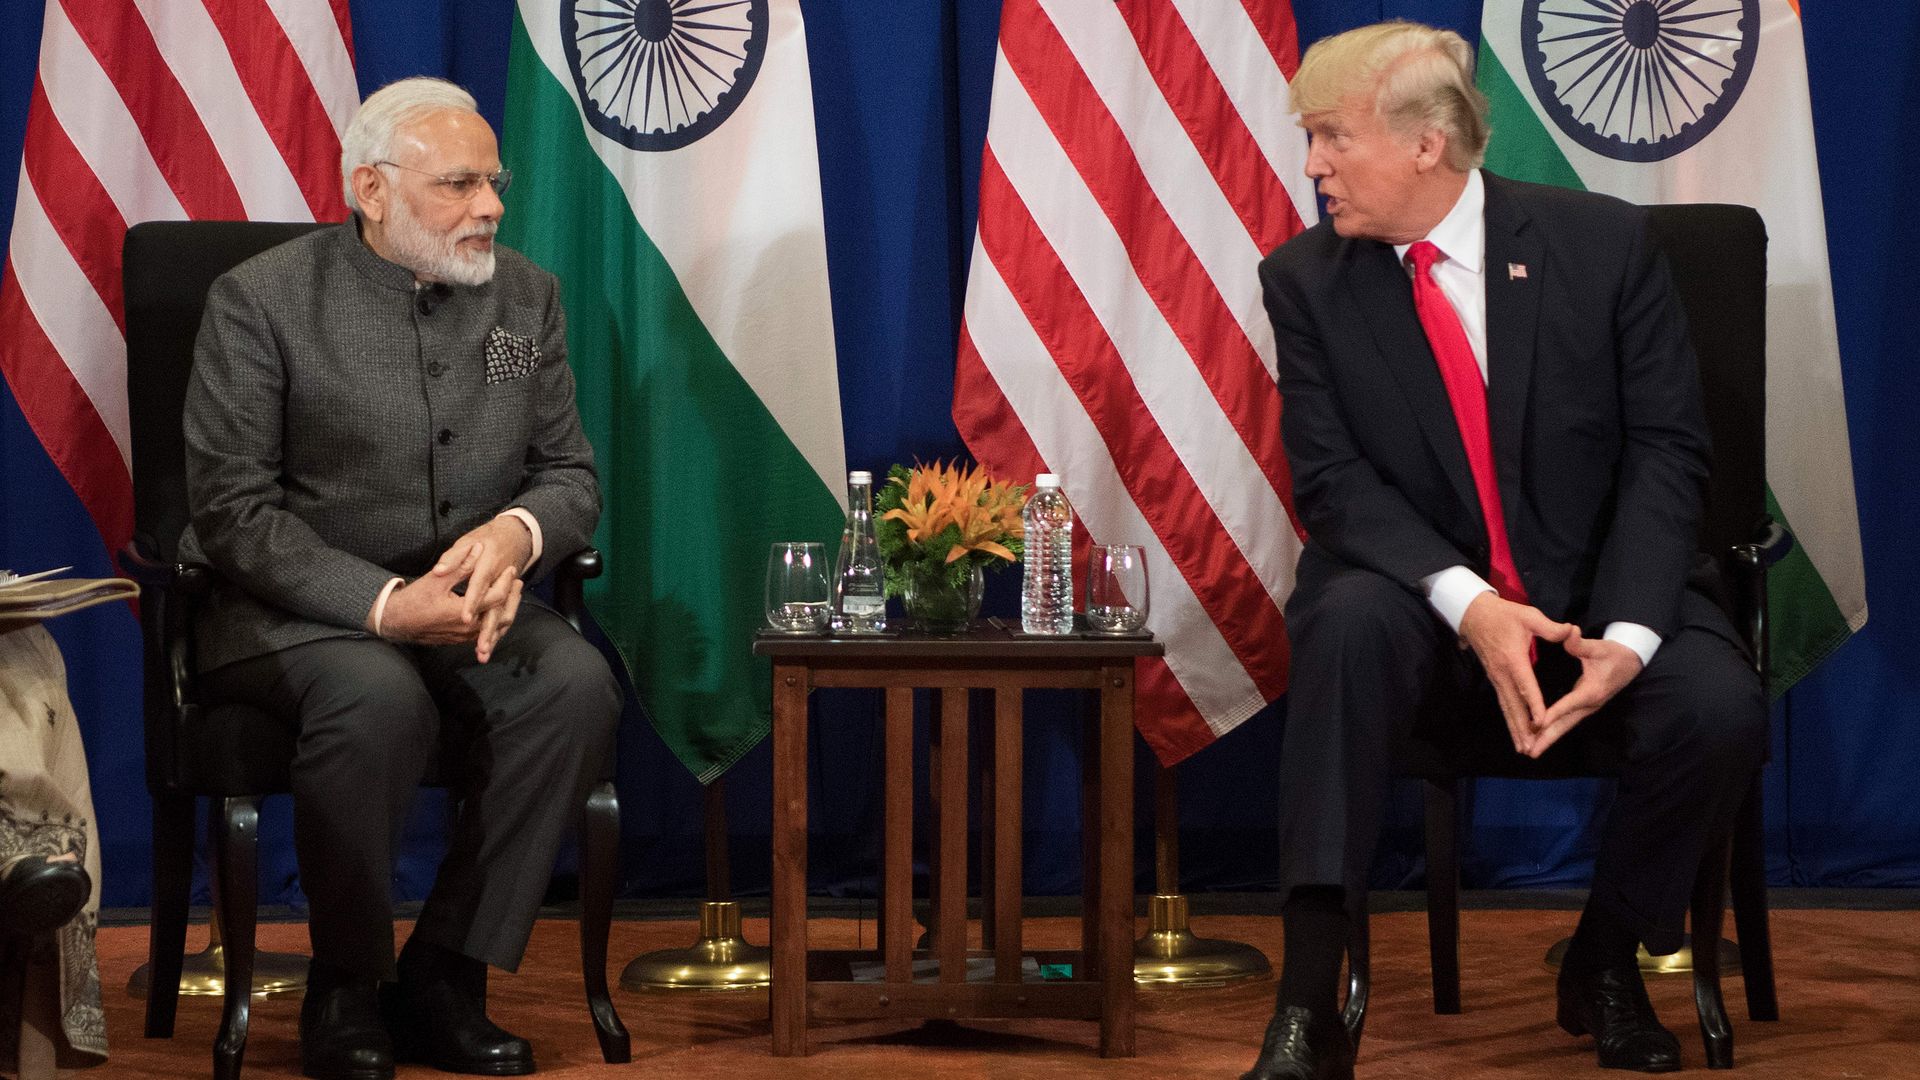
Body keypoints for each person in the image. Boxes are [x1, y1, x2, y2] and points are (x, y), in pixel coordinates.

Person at [1248, 22, 1765, 1079]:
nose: (1313, 167)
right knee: (1341, 626)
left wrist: (1624, 634)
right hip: (1422, 606)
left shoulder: (1603, 246)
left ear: (1427, 145)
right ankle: (1306, 1005)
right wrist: (1471, 605)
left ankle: (1607, 956)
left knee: (1719, 706)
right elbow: (1336, 484)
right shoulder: (1306, 280)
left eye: (1332, 138)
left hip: (1595, 590)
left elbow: (1670, 452)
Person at [180, 77, 618, 1080]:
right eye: (460, 184)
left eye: (494, 183)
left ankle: (445, 977)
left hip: (470, 600)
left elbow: (568, 476)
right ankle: (346, 986)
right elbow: (231, 512)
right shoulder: (260, 302)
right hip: (296, 612)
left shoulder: (524, 301)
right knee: (376, 696)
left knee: (574, 684)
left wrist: (515, 534)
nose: (492, 207)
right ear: (371, 189)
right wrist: (382, 605)